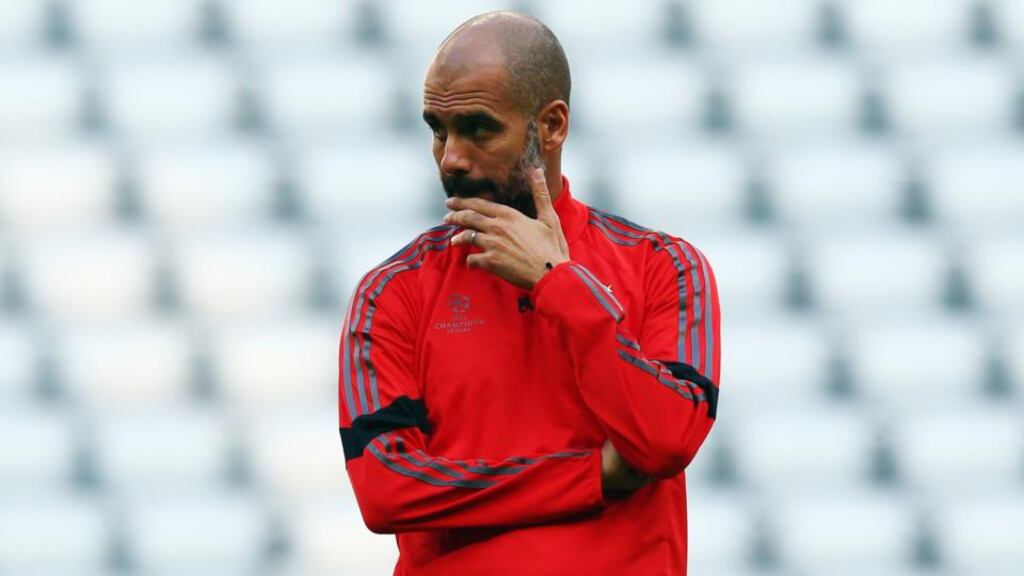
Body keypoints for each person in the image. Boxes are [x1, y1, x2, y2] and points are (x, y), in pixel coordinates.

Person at [338, 11, 721, 575]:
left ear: (553, 125)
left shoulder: (665, 267)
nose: (451, 158)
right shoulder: (392, 293)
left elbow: (665, 439)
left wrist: (557, 284)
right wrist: (592, 476)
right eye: (438, 130)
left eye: (478, 128)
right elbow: (386, 489)